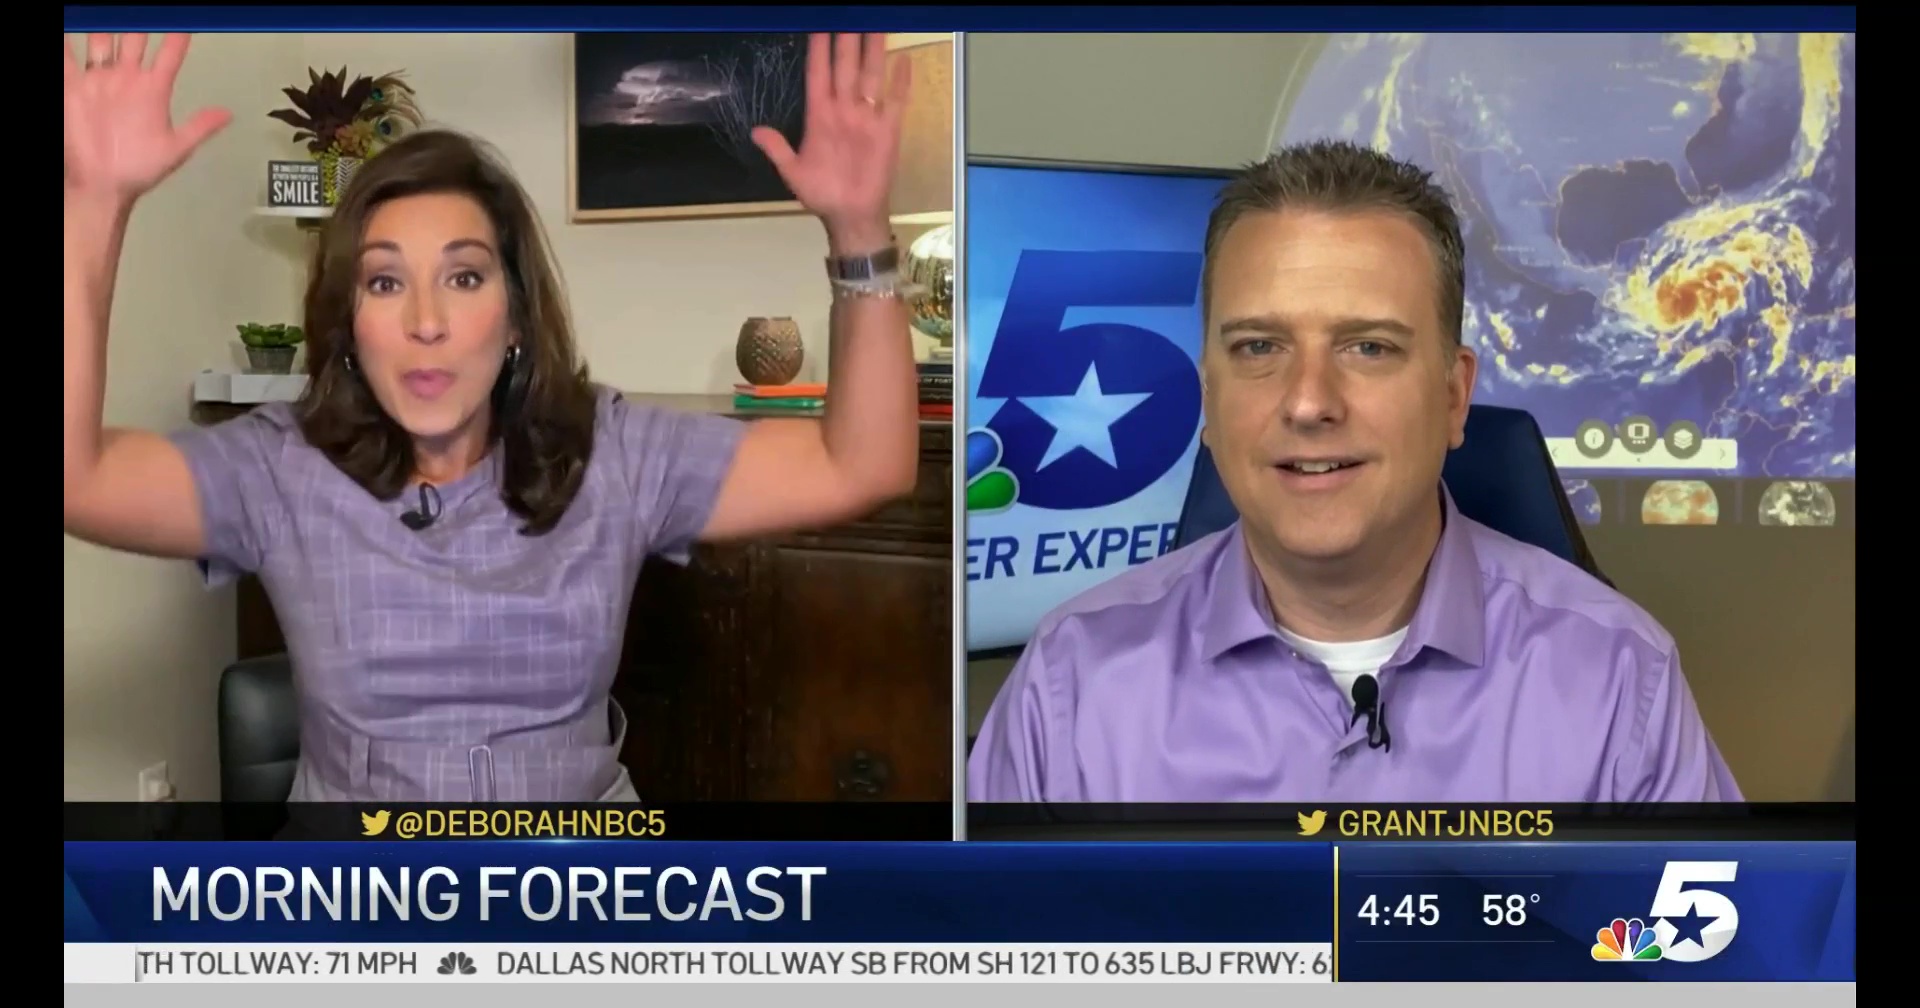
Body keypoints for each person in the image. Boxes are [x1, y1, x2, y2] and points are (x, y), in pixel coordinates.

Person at [65, 32, 923, 804]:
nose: (426, 321)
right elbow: (77, 478)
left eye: (465, 277)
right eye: (385, 281)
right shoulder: (278, 469)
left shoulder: (611, 451)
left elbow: (865, 465)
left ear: (514, 317)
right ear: (348, 322)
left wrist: (859, 231)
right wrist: (95, 203)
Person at [968, 140, 1742, 805]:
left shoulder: (1619, 679)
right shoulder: (1070, 684)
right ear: (1207, 398)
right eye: (1259, 347)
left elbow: (1700, 932)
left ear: (1453, 395)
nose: (1309, 402)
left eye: (1368, 347)